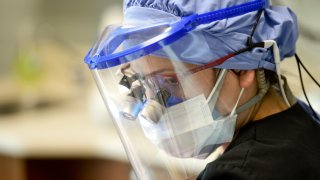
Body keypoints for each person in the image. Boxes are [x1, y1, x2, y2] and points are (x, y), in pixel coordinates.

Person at [84, 0, 320, 179]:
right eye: (142, 81)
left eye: (171, 81)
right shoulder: (300, 123)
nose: (154, 104)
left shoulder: (239, 174)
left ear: (243, 69)